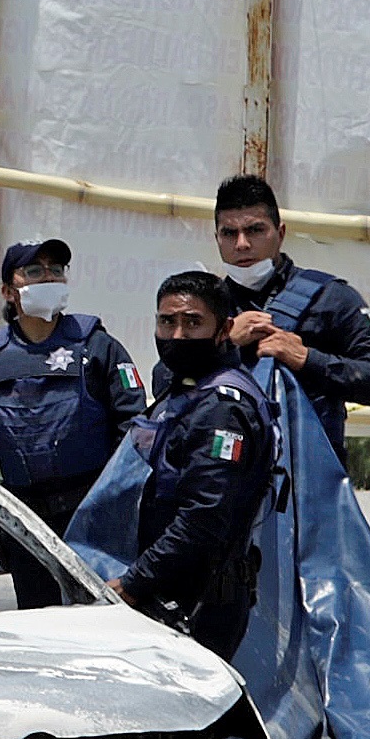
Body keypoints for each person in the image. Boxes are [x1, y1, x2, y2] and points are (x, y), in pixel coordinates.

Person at [0, 239, 147, 605]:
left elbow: (133, 435)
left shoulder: (98, 348)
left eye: (56, 270)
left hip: (93, 524)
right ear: (10, 291)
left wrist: (116, 511)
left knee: (100, 626)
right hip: (28, 527)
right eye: (35, 271)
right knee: (41, 628)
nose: (48, 278)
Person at [109, 270, 277, 657]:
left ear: (225, 329)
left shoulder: (221, 408)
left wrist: (134, 583)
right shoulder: (185, 391)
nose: (178, 336)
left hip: (197, 602)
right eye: (167, 322)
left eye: (193, 322)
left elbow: (203, 518)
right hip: (167, 591)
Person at [211, 174, 370, 462]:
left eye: (255, 230)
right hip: (225, 484)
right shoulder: (205, 305)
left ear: (280, 233)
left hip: (310, 477)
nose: (242, 244)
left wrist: (307, 359)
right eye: (229, 233)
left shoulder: (331, 297)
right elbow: (163, 382)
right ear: (217, 238)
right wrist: (223, 345)